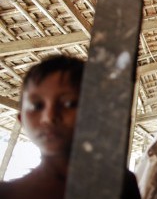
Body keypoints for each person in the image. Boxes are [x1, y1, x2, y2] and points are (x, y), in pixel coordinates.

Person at [0, 55, 141, 199]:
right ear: (21, 119)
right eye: (37, 106)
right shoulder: (6, 193)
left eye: (69, 104)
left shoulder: (120, 184)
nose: (49, 117)